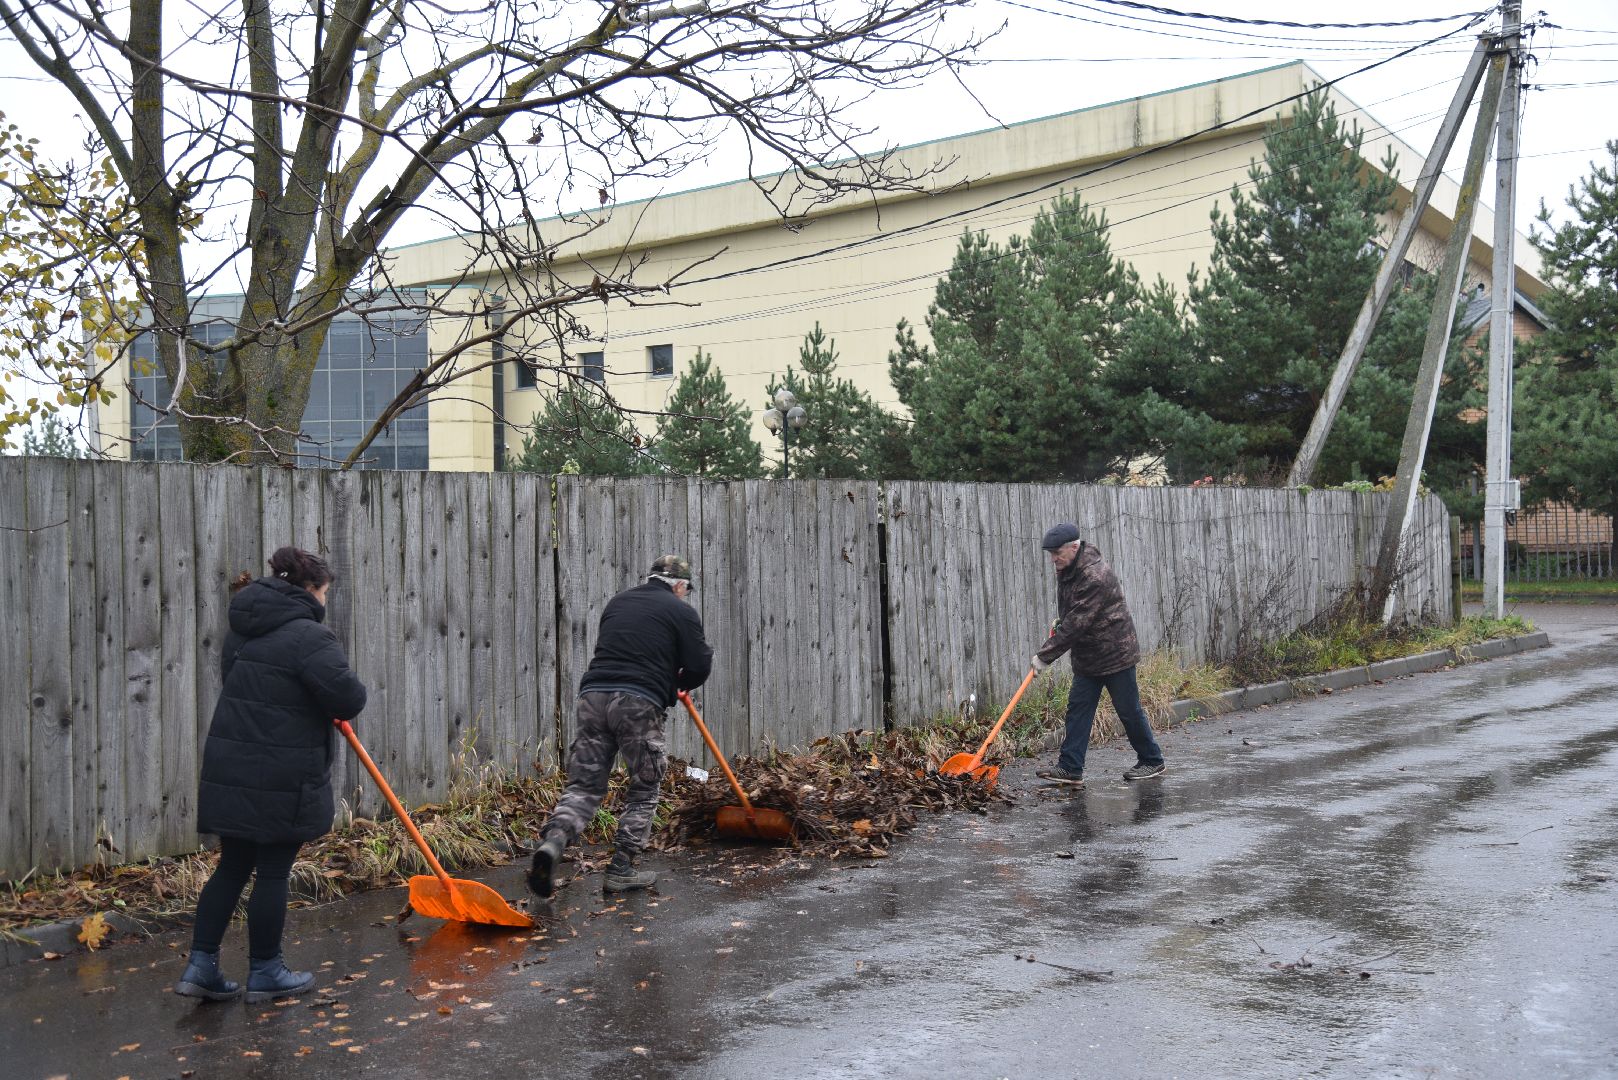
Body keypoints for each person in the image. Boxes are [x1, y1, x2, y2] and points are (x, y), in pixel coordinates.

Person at [174, 546, 368, 1004]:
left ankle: (201, 966)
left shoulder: (242, 629)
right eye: (324, 592)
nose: (325, 601)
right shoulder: (309, 637)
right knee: (274, 871)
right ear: (308, 589)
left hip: (232, 763)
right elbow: (348, 698)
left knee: (233, 865)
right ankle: (266, 970)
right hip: (283, 771)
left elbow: (259, 689)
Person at [528, 555, 713, 898]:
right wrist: (679, 683)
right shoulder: (681, 611)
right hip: (637, 703)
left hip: (593, 697)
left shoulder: (618, 602)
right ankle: (621, 868)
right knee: (644, 786)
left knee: (584, 785)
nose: (686, 595)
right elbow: (699, 664)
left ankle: (553, 842)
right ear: (679, 585)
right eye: (687, 590)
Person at [1031, 523, 1166, 787]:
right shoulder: (1068, 568)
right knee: (1078, 710)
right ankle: (1070, 767)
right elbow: (1075, 614)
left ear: (1074, 547)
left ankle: (1152, 759)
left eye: (1057, 552)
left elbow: (1078, 622)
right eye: (1051, 554)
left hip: (1115, 654)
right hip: (1089, 655)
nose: (1053, 559)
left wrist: (1045, 655)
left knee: (1128, 711)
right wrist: (1062, 621)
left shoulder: (1094, 575)